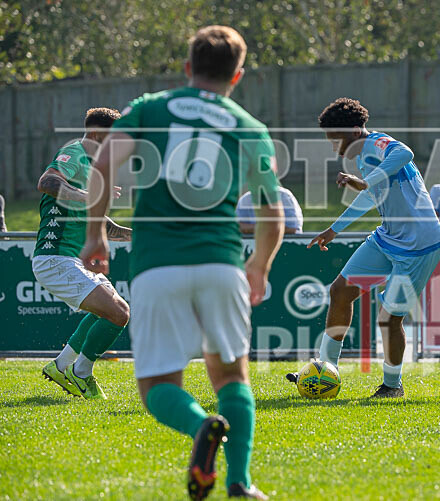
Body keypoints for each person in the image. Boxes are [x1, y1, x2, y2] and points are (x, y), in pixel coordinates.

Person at [81, 26, 283, 499]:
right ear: (238, 75)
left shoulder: (149, 108)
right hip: (221, 264)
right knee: (232, 377)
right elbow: (271, 211)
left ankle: (200, 428)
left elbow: (102, 167)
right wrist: (259, 265)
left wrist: (95, 236)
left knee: (157, 385)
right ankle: (240, 482)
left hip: (158, 265)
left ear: (188, 67)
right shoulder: (249, 127)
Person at [286, 97, 440, 398]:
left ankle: (392, 386)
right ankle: (324, 371)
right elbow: (371, 195)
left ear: (354, 131)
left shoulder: (377, 142)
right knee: (340, 291)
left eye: (336, 138)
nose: (334, 147)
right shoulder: (363, 157)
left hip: (419, 245)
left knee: (389, 318)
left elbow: (405, 152)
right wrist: (334, 229)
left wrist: (366, 181)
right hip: (388, 237)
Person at [36, 107, 132, 401]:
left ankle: (61, 366)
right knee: (118, 314)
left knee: (116, 308)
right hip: (55, 257)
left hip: (71, 259)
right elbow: (47, 182)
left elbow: (103, 224)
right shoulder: (75, 152)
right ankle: (80, 374)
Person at [237, 187, 303, 234]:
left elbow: (291, 229)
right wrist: (271, 228)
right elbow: (237, 227)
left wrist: (253, 228)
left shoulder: (284, 196)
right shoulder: (245, 198)